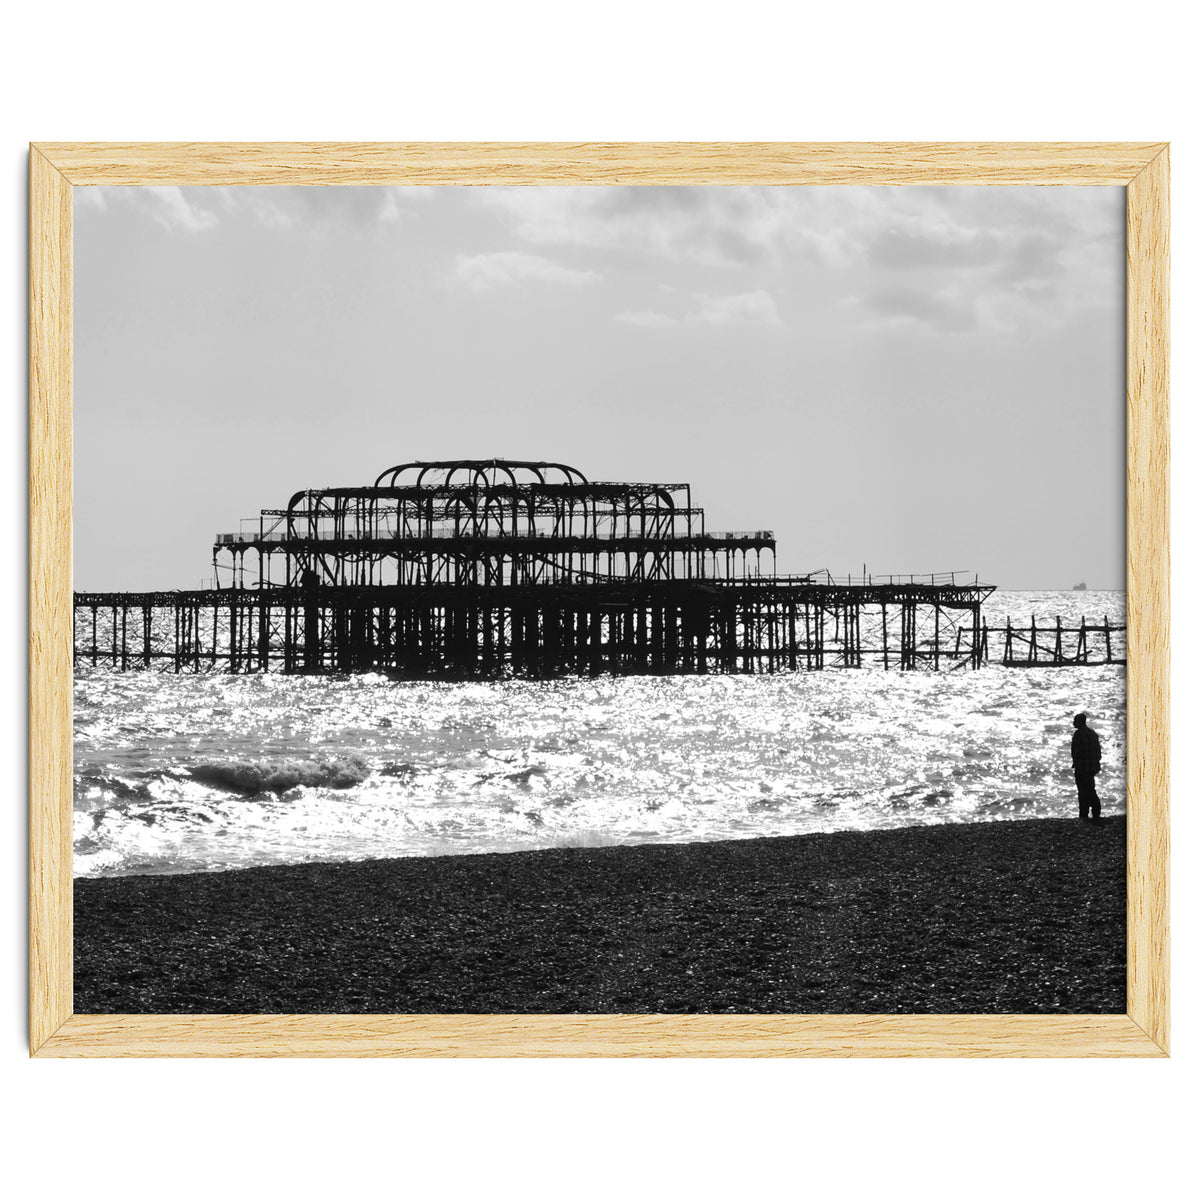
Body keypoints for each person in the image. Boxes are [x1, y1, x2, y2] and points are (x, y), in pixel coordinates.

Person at [1071, 712, 1102, 820]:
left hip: (1082, 767)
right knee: (1090, 789)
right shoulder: (1092, 733)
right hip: (1092, 767)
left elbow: (1076, 753)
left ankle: (1084, 814)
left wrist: (1075, 763)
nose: (1073, 723)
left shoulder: (1078, 734)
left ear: (1079, 722)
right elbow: (1098, 752)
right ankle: (1096, 812)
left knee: (1083, 792)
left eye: (1075, 721)